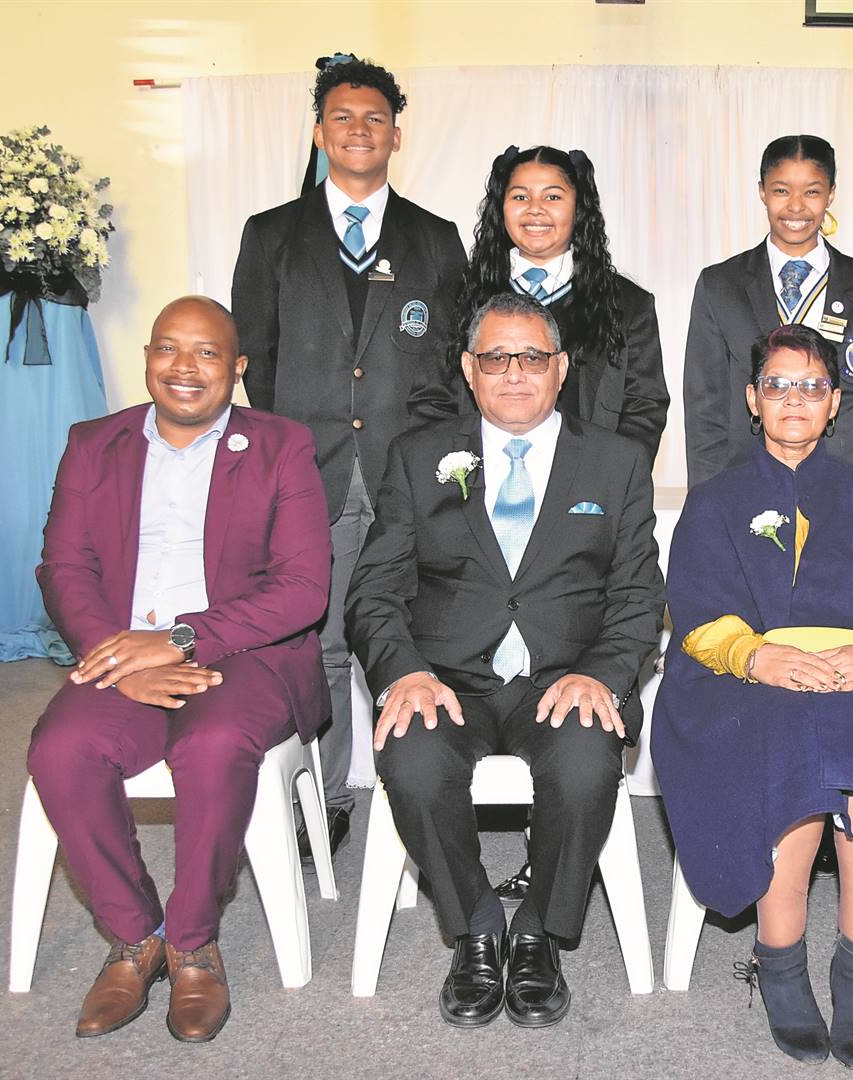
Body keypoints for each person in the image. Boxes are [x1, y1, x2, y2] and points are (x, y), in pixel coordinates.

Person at [346, 292, 663, 1029]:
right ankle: (478, 927)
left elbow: (640, 595)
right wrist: (404, 673)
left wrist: (603, 675)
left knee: (585, 762)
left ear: (561, 367)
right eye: (495, 358)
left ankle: (538, 932)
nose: (514, 373)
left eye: (531, 357)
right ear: (468, 368)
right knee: (412, 760)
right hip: (446, 679)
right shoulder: (418, 456)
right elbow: (374, 590)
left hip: (565, 677)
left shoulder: (616, 462)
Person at [653, 324, 853, 1069]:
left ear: (834, 404)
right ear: (753, 399)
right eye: (778, 385)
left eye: (812, 386)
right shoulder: (715, 499)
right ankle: (780, 957)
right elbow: (696, 609)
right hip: (744, 677)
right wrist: (756, 656)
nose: (794, 399)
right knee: (785, 727)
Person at [26, 297, 331, 1043]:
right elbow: (64, 565)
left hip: (243, 652)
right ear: (147, 358)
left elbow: (303, 588)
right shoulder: (93, 443)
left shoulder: (282, 445)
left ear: (238, 367)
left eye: (207, 352)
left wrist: (178, 640)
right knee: (60, 751)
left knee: (213, 744)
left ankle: (193, 943)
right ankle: (137, 936)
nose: (184, 367)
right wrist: (116, 655)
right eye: (168, 348)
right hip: (122, 650)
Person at [232, 56, 467, 858]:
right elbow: (257, 360)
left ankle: (423, 794)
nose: (358, 130)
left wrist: (432, 464)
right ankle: (325, 799)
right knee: (323, 646)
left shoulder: (436, 239)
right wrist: (287, 457)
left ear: (396, 135)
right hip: (312, 477)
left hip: (408, 482)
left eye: (375, 119)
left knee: (414, 644)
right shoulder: (271, 234)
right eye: (342, 116)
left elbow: (453, 368)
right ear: (319, 131)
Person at [684, 135, 853, 487]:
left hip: (845, 488)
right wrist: (707, 502)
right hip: (746, 485)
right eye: (781, 191)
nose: (796, 207)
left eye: (812, 192)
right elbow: (704, 415)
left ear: (831, 194)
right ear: (762, 192)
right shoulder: (720, 286)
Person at [444, 145, 667, 466]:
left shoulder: (627, 304)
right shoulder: (461, 296)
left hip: (589, 482)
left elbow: (644, 408)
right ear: (501, 206)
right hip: (481, 482)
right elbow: (435, 400)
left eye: (552, 197)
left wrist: (609, 479)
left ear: (578, 207)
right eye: (520, 196)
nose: (535, 209)